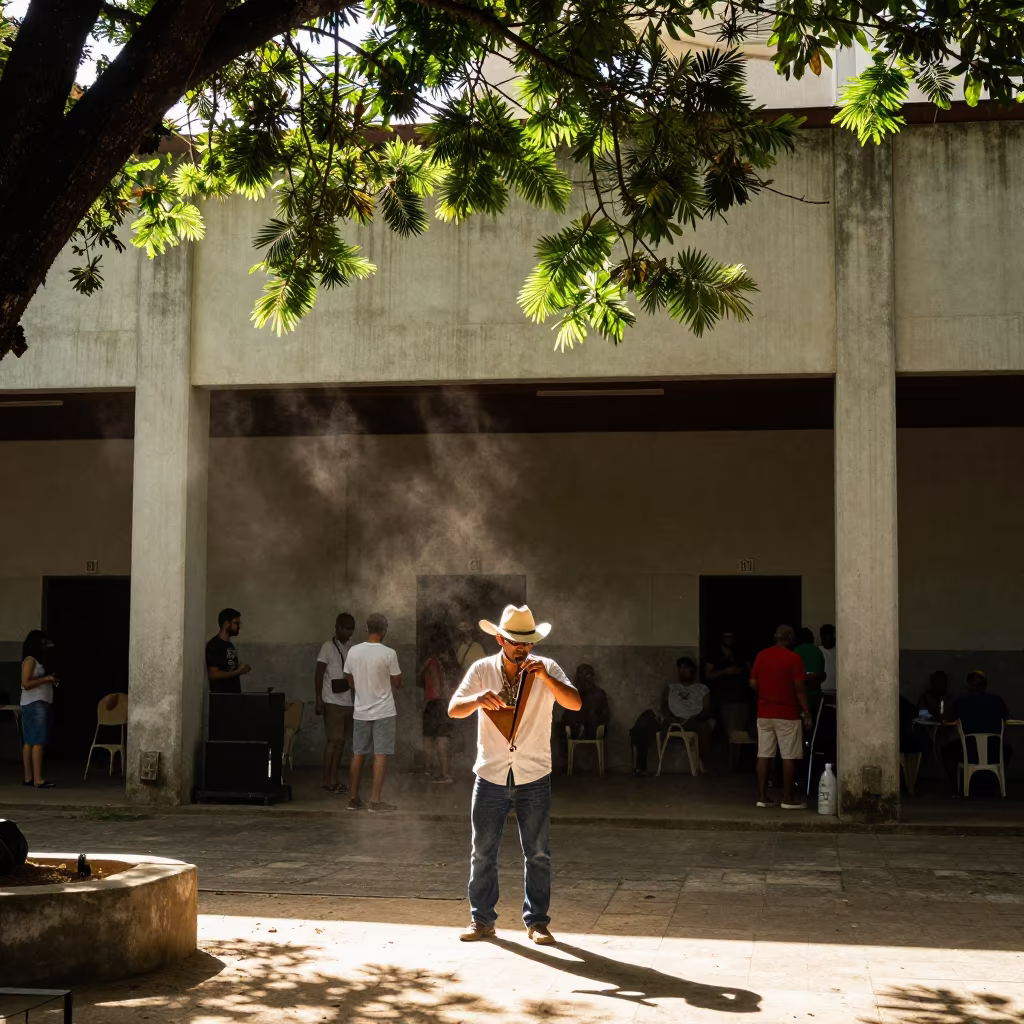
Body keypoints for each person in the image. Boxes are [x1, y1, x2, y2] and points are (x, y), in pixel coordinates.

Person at [448, 604, 580, 945]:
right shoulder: (481, 669)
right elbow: (453, 709)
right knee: (482, 851)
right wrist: (478, 699)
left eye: (528, 642)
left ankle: (537, 922)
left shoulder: (546, 667)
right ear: (499, 638)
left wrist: (547, 679)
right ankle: (482, 921)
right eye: (516, 642)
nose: (523, 648)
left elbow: (575, 704)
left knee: (537, 852)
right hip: (491, 773)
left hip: (533, 775)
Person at [750, 625, 813, 810]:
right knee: (789, 756)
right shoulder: (794, 659)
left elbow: (753, 682)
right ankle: (788, 798)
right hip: (787, 714)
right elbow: (800, 688)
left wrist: (768, 692)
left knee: (764, 754)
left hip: (764, 713)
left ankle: (762, 797)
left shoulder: (761, 656)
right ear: (791, 639)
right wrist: (807, 712)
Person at [344, 613, 402, 812]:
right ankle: (375, 801)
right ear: (384, 629)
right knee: (380, 754)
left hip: (360, 710)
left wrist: (360, 688)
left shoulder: (353, 651)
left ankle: (353, 799)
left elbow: (348, 678)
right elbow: (397, 682)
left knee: (358, 753)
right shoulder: (389, 653)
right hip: (384, 711)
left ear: (367, 628)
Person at [941, 670, 1012, 794]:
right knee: (1007, 750)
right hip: (995, 751)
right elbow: (1005, 722)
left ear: (968, 685)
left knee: (945, 750)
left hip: (968, 752)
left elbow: (948, 722)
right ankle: (995, 782)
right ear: (985, 685)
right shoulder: (997, 701)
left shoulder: (961, 702)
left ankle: (956, 787)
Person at [314, 612, 356, 793]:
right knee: (333, 741)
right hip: (331, 700)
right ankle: (326, 780)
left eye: (352, 630)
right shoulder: (327, 647)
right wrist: (318, 698)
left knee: (341, 742)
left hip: (348, 701)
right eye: (347, 629)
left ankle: (334, 779)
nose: (350, 633)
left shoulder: (352, 648)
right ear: (338, 628)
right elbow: (319, 673)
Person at [20, 630, 58, 788]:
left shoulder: (35, 661)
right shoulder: (30, 661)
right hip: (36, 703)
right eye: (42, 642)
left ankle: (29, 777)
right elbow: (26, 684)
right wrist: (46, 679)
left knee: (29, 741)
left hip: (32, 703)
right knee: (38, 741)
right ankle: (38, 779)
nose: (44, 645)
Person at [662, 656, 713, 768]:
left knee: (706, 728)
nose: (683, 671)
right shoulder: (671, 688)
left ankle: (704, 764)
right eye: (680, 668)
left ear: (692, 670)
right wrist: (671, 718)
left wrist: (695, 718)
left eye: (686, 668)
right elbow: (665, 706)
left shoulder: (702, 688)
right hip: (675, 722)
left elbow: (707, 708)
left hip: (694, 720)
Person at [420, 630, 455, 784]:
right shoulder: (447, 661)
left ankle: (440, 773)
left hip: (435, 702)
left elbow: (433, 681)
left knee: (433, 739)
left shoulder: (432, 661)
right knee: (441, 738)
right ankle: (438, 772)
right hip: (443, 702)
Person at [704, 630, 751, 734]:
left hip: (740, 698)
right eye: (726, 637)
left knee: (740, 732)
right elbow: (708, 675)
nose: (728, 640)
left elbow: (750, 672)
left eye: (730, 637)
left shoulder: (740, 652)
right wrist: (724, 671)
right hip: (722, 699)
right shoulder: (714, 654)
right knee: (725, 732)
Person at [205, 608, 251, 694]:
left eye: (239, 623)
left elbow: (230, 668)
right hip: (222, 698)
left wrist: (241, 668)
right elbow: (213, 674)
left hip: (233, 696)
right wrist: (237, 672)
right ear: (226, 624)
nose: (239, 626)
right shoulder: (214, 645)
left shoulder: (230, 645)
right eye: (235, 623)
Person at [561, 663, 609, 739]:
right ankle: (577, 729)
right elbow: (567, 715)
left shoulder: (598, 694)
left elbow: (604, 716)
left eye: (588, 675)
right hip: (580, 728)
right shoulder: (575, 694)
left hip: (594, 729)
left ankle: (579, 729)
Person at [794, 627, 826, 715]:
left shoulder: (796, 651)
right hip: (816, 694)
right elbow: (821, 673)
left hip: (801, 695)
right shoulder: (818, 651)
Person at [818, 624, 837, 694]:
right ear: (823, 636)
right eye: (831, 634)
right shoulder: (819, 651)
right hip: (824, 689)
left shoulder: (838, 651)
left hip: (837, 689)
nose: (834, 637)